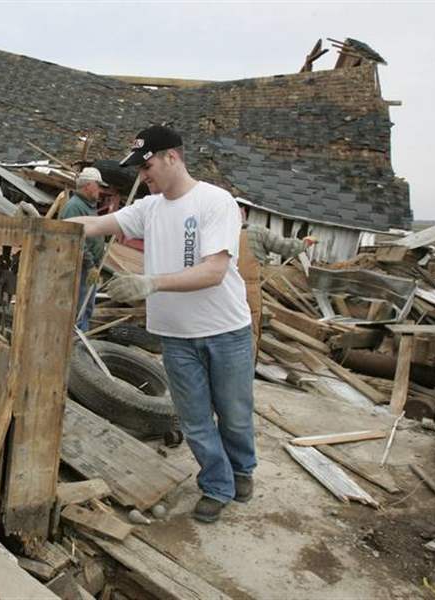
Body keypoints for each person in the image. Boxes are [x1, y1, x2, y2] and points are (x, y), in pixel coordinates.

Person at [65, 125, 255, 523]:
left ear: (172, 157)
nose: (142, 176)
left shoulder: (214, 202)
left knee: (234, 413)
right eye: (138, 169)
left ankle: (242, 469)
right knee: (195, 419)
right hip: (175, 336)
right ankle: (217, 486)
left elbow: (214, 272)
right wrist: (46, 226)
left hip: (225, 331)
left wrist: (150, 283)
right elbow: (98, 225)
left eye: (147, 165)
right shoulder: (149, 208)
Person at [238, 215, 318, 352]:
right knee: (250, 332)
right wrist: (305, 243)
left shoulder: (213, 231)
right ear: (243, 212)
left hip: (218, 289)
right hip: (247, 290)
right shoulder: (256, 232)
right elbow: (285, 246)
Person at [59, 167, 109, 330]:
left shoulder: (88, 206)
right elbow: (76, 241)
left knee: (87, 306)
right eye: (98, 185)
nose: (100, 190)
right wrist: (90, 265)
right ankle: (76, 342)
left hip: (90, 267)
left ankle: (81, 338)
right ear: (88, 185)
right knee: (80, 308)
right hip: (81, 268)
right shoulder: (74, 207)